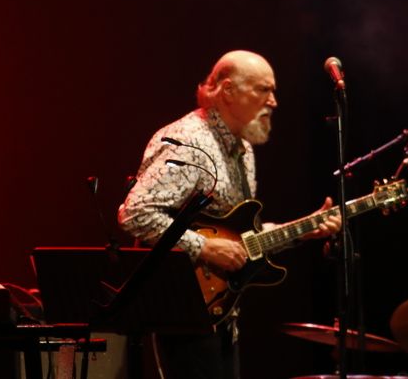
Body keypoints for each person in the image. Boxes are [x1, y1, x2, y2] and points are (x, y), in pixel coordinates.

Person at [118, 50, 340, 379]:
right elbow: (136, 214)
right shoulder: (188, 141)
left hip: (222, 316)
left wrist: (304, 231)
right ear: (228, 91)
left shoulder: (243, 150)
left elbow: (236, 236)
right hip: (183, 312)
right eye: (263, 90)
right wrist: (203, 247)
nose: (274, 101)